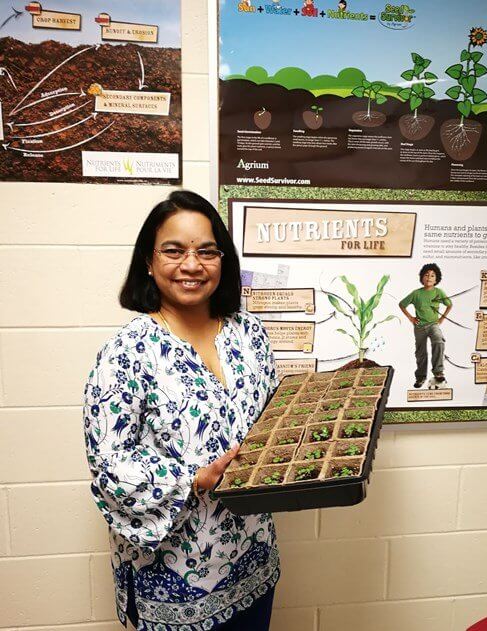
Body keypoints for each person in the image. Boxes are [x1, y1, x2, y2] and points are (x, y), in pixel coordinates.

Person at [83, 190, 280, 631]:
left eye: (207, 251)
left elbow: (270, 422)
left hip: (253, 556)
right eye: (174, 251)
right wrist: (194, 478)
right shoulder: (127, 353)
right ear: (149, 262)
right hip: (173, 579)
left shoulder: (249, 333)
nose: (192, 265)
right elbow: (109, 469)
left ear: (223, 261)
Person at [399, 263, 452, 389]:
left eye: (432, 275)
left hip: (434, 325)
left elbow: (449, 304)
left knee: (438, 340)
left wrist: (442, 319)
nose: (429, 277)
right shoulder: (416, 294)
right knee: (421, 352)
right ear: (422, 278)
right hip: (419, 327)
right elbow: (402, 304)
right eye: (426, 275)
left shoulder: (439, 292)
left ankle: (438, 372)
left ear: (436, 279)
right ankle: (420, 377)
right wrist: (411, 318)